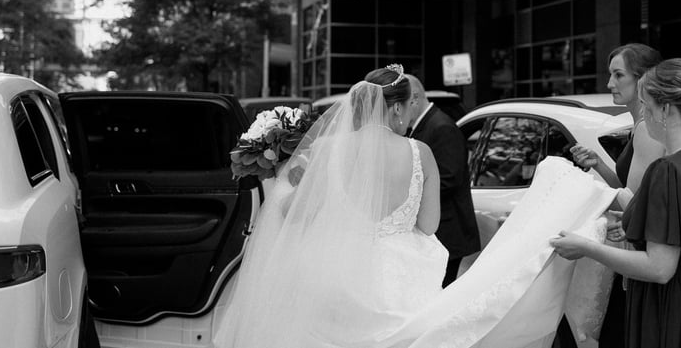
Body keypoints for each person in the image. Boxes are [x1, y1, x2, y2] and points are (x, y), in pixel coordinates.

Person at [213, 63, 619, 348]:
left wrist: (288, 184)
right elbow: (427, 225)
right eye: (408, 107)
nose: (409, 116)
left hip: (336, 272)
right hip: (400, 275)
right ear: (394, 107)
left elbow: (294, 214)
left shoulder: (327, 150)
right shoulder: (418, 152)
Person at [551, 58, 681, 348]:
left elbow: (659, 268)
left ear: (665, 109)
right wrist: (636, 227)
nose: (643, 116)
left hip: (679, 307)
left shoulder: (669, 171)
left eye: (645, 105)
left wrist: (586, 248)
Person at [569, 42, 665, 347]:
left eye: (618, 75)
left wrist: (572, 191)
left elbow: (632, 201)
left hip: (644, 248)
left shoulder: (647, 129)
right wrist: (598, 165)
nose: (610, 83)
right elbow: (628, 190)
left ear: (643, 78)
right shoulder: (638, 126)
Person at [406, 74, 480, 286]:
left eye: (401, 103)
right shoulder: (425, 126)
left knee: (440, 290)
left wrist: (406, 195)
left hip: (447, 231)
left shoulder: (441, 127)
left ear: (415, 98)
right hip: (436, 228)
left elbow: (448, 179)